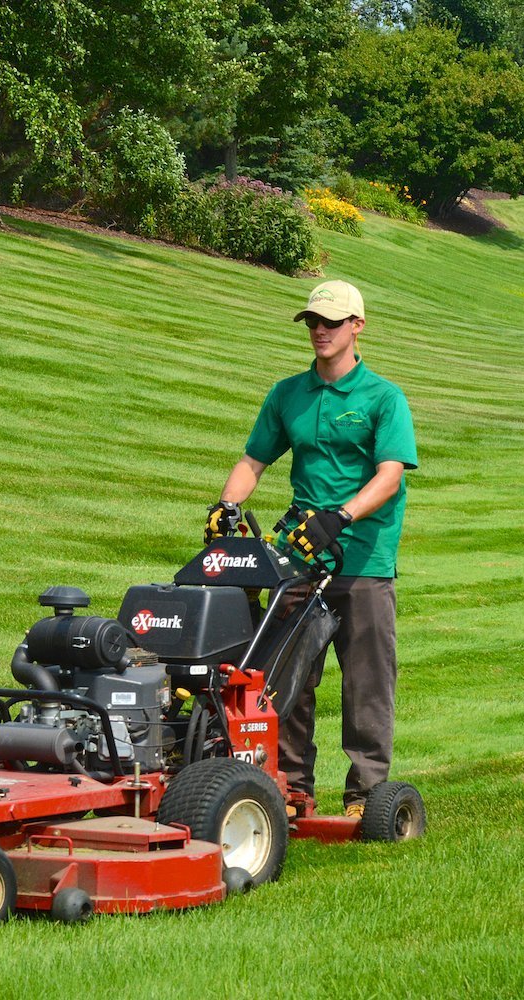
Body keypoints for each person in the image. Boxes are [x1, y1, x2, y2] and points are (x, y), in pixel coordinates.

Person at [205, 279, 417, 818]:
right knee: (289, 677)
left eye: (331, 322)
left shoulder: (383, 398)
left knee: (366, 683)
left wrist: (341, 516)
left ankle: (366, 793)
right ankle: (293, 788)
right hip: (299, 557)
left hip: (363, 558)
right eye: (313, 322)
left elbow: (389, 475)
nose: (320, 330)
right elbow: (253, 461)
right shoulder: (288, 394)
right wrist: (225, 508)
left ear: (357, 327)